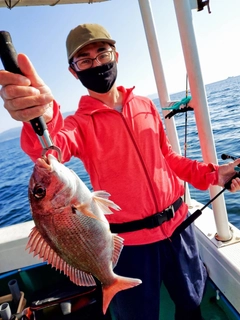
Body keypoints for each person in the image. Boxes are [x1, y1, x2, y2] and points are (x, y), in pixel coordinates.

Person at [0, 23, 240, 320]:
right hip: (130, 246)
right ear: (74, 71)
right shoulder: (79, 124)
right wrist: (41, 118)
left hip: (179, 230)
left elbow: (168, 159)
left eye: (103, 53)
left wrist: (215, 174)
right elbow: (51, 149)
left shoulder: (145, 105)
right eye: (85, 60)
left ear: (116, 55)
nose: (97, 63)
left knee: (191, 305)